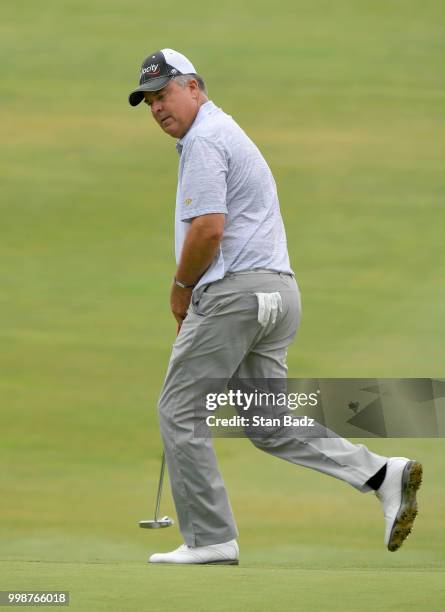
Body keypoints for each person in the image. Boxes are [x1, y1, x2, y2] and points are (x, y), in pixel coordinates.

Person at [128, 48, 422, 565]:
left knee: (179, 409)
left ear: (194, 86)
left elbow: (208, 228)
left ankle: (209, 538)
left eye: (164, 93)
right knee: (268, 423)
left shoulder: (204, 141)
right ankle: (381, 473)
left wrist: (181, 289)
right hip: (279, 295)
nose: (156, 107)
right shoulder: (225, 131)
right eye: (149, 100)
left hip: (235, 295)